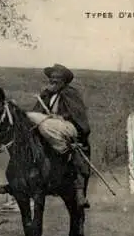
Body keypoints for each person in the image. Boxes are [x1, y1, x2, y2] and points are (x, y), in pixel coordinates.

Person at [33, 63, 91, 208]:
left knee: (72, 148)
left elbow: (77, 115)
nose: (52, 81)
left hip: (68, 129)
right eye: (51, 78)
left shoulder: (70, 93)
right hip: (48, 128)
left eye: (56, 78)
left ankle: (79, 189)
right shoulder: (46, 95)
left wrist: (60, 117)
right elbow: (37, 112)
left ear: (63, 81)